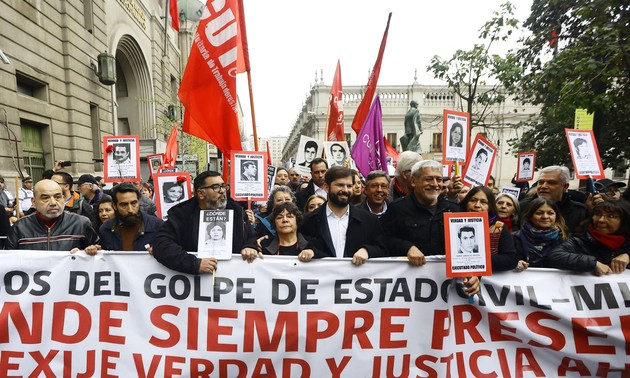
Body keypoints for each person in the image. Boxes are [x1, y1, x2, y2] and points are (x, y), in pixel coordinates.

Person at [381, 160, 479, 296]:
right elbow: (382, 240)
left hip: (446, 287)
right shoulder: (398, 209)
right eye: (428, 179)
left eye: (439, 179)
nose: (435, 184)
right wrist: (407, 247)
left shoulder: (454, 209)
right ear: (414, 181)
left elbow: (468, 250)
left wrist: (474, 275)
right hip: (408, 288)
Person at [152, 171, 258, 274]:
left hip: (233, 280)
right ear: (201, 193)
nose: (222, 191)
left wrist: (250, 246)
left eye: (223, 186)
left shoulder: (237, 212)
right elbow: (162, 244)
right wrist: (194, 264)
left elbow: (251, 237)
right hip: (193, 283)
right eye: (216, 187)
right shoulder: (181, 215)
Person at [301, 166, 385, 263]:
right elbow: (303, 247)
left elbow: (382, 248)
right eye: (340, 185)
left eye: (349, 186)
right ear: (326, 187)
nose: (345, 190)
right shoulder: (309, 221)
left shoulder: (369, 220)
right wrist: (311, 252)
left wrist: (367, 250)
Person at [7, 179, 99, 251]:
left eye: (57, 197)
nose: (53, 202)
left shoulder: (80, 224)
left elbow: (100, 254)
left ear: (63, 199)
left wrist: (88, 251)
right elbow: (8, 261)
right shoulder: (20, 227)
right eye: (45, 198)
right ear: (34, 202)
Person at [546, 200, 630, 275]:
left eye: (611, 216)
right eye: (598, 214)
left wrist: (628, 255)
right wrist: (592, 263)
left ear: (624, 220)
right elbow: (555, 255)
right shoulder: (580, 241)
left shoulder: (627, 243)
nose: (601, 220)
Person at [459, 186, 519, 272]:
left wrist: (477, 259)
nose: (477, 205)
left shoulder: (499, 228)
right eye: (473, 200)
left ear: (490, 207)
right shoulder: (451, 224)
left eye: (483, 202)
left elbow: (511, 260)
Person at [520, 165, 587, 234]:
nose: (543, 186)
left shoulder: (581, 212)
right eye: (541, 182)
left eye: (551, 183)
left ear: (565, 187)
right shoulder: (522, 207)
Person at [99, 183, 164, 252]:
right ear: (114, 206)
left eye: (134, 203)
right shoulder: (106, 229)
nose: (130, 210)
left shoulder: (157, 226)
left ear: (139, 202)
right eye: (124, 205)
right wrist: (94, 251)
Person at [248, 202, 318, 262]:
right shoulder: (263, 246)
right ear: (274, 223)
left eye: (289, 216)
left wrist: (314, 253)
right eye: (279, 217)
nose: (285, 220)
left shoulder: (312, 244)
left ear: (297, 221)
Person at [512, 198, 568, 270]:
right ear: (530, 216)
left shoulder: (565, 239)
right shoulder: (514, 238)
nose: (545, 217)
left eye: (550, 213)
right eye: (539, 213)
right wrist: (514, 263)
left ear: (556, 216)